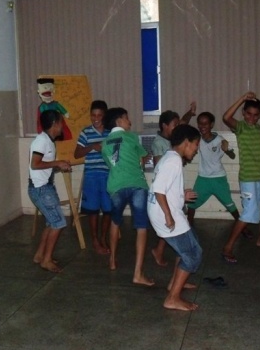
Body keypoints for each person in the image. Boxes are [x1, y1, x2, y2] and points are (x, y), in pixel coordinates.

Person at [220, 92, 260, 263]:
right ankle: (227, 248)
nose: (251, 118)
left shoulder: (258, 128)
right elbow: (226, 117)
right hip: (248, 179)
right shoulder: (241, 127)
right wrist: (242, 99)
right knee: (249, 213)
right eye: (248, 114)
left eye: (255, 115)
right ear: (243, 113)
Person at [147, 124, 202, 311]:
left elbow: (165, 187)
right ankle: (172, 298)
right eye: (196, 145)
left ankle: (175, 283)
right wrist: (169, 216)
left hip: (167, 211)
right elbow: (158, 190)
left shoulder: (171, 158)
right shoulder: (173, 161)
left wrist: (181, 195)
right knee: (193, 256)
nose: (196, 150)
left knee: (191, 247)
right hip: (166, 214)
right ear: (186, 142)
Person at [101, 107, 154, 286]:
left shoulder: (104, 143)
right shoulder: (131, 137)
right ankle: (138, 273)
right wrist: (144, 158)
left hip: (115, 186)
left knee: (115, 222)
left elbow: (112, 164)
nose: (129, 121)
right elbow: (141, 160)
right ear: (119, 121)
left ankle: (112, 260)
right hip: (136, 185)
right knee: (141, 227)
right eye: (126, 118)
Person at [186, 111, 251, 238]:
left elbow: (232, 156)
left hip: (218, 179)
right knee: (192, 203)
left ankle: (243, 228)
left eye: (205, 124)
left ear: (211, 125)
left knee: (230, 204)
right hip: (203, 179)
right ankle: (188, 227)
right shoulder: (197, 139)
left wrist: (227, 150)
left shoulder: (220, 140)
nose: (202, 126)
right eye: (200, 124)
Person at [150, 103, 196, 266]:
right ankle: (160, 252)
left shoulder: (174, 150)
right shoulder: (166, 152)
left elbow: (184, 123)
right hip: (165, 197)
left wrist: (190, 113)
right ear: (164, 126)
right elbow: (160, 182)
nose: (178, 128)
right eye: (174, 125)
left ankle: (172, 265)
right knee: (189, 249)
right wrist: (168, 215)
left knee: (181, 242)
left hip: (169, 192)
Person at [29, 110, 72, 273]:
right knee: (58, 222)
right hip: (41, 189)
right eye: (61, 122)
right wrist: (57, 163)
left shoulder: (47, 141)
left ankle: (40, 255)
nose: (63, 126)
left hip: (44, 187)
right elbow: (35, 164)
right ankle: (46, 260)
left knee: (51, 222)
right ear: (55, 124)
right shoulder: (41, 141)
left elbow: (43, 165)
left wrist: (59, 164)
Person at [74, 100, 111, 255]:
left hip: (108, 176)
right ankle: (95, 240)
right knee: (93, 210)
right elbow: (77, 154)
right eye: (93, 115)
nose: (96, 119)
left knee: (109, 210)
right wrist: (92, 147)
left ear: (105, 116)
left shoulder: (111, 133)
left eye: (99, 115)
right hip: (91, 176)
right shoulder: (86, 132)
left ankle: (103, 237)